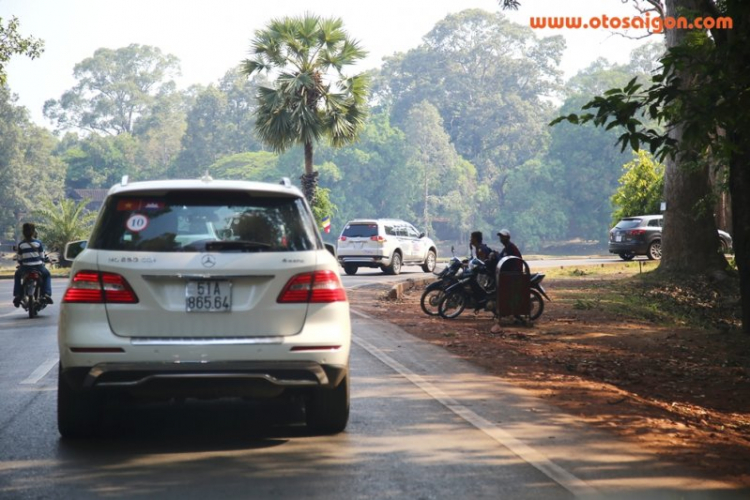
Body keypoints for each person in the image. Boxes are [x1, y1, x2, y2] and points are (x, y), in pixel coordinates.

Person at [13, 223, 53, 307]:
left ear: (23, 232)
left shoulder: (21, 244)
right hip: (38, 267)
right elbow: (42, 257)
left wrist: (22, 264)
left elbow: (19, 259)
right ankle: (46, 294)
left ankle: (17, 295)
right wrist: (41, 262)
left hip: (25, 268)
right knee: (47, 275)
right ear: (33, 232)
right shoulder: (38, 243)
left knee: (17, 275)